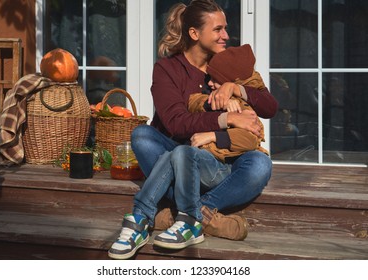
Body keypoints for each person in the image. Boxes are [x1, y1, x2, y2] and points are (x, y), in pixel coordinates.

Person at [108, 0, 278, 259]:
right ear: (194, 34)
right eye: (218, 30)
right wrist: (226, 119)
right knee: (142, 135)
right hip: (177, 161)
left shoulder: (228, 64)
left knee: (260, 164)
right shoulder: (167, 70)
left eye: (225, 29)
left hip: (219, 165)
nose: (226, 36)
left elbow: (269, 107)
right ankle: (202, 217)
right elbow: (177, 123)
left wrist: (236, 88)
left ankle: (182, 214)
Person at [188, 44, 269, 161]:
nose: (209, 83)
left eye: (215, 79)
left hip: (228, 159)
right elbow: (193, 101)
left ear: (229, 81)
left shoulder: (242, 106)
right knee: (178, 154)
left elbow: (250, 140)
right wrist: (215, 101)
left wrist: (212, 136)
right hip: (208, 154)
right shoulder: (212, 92)